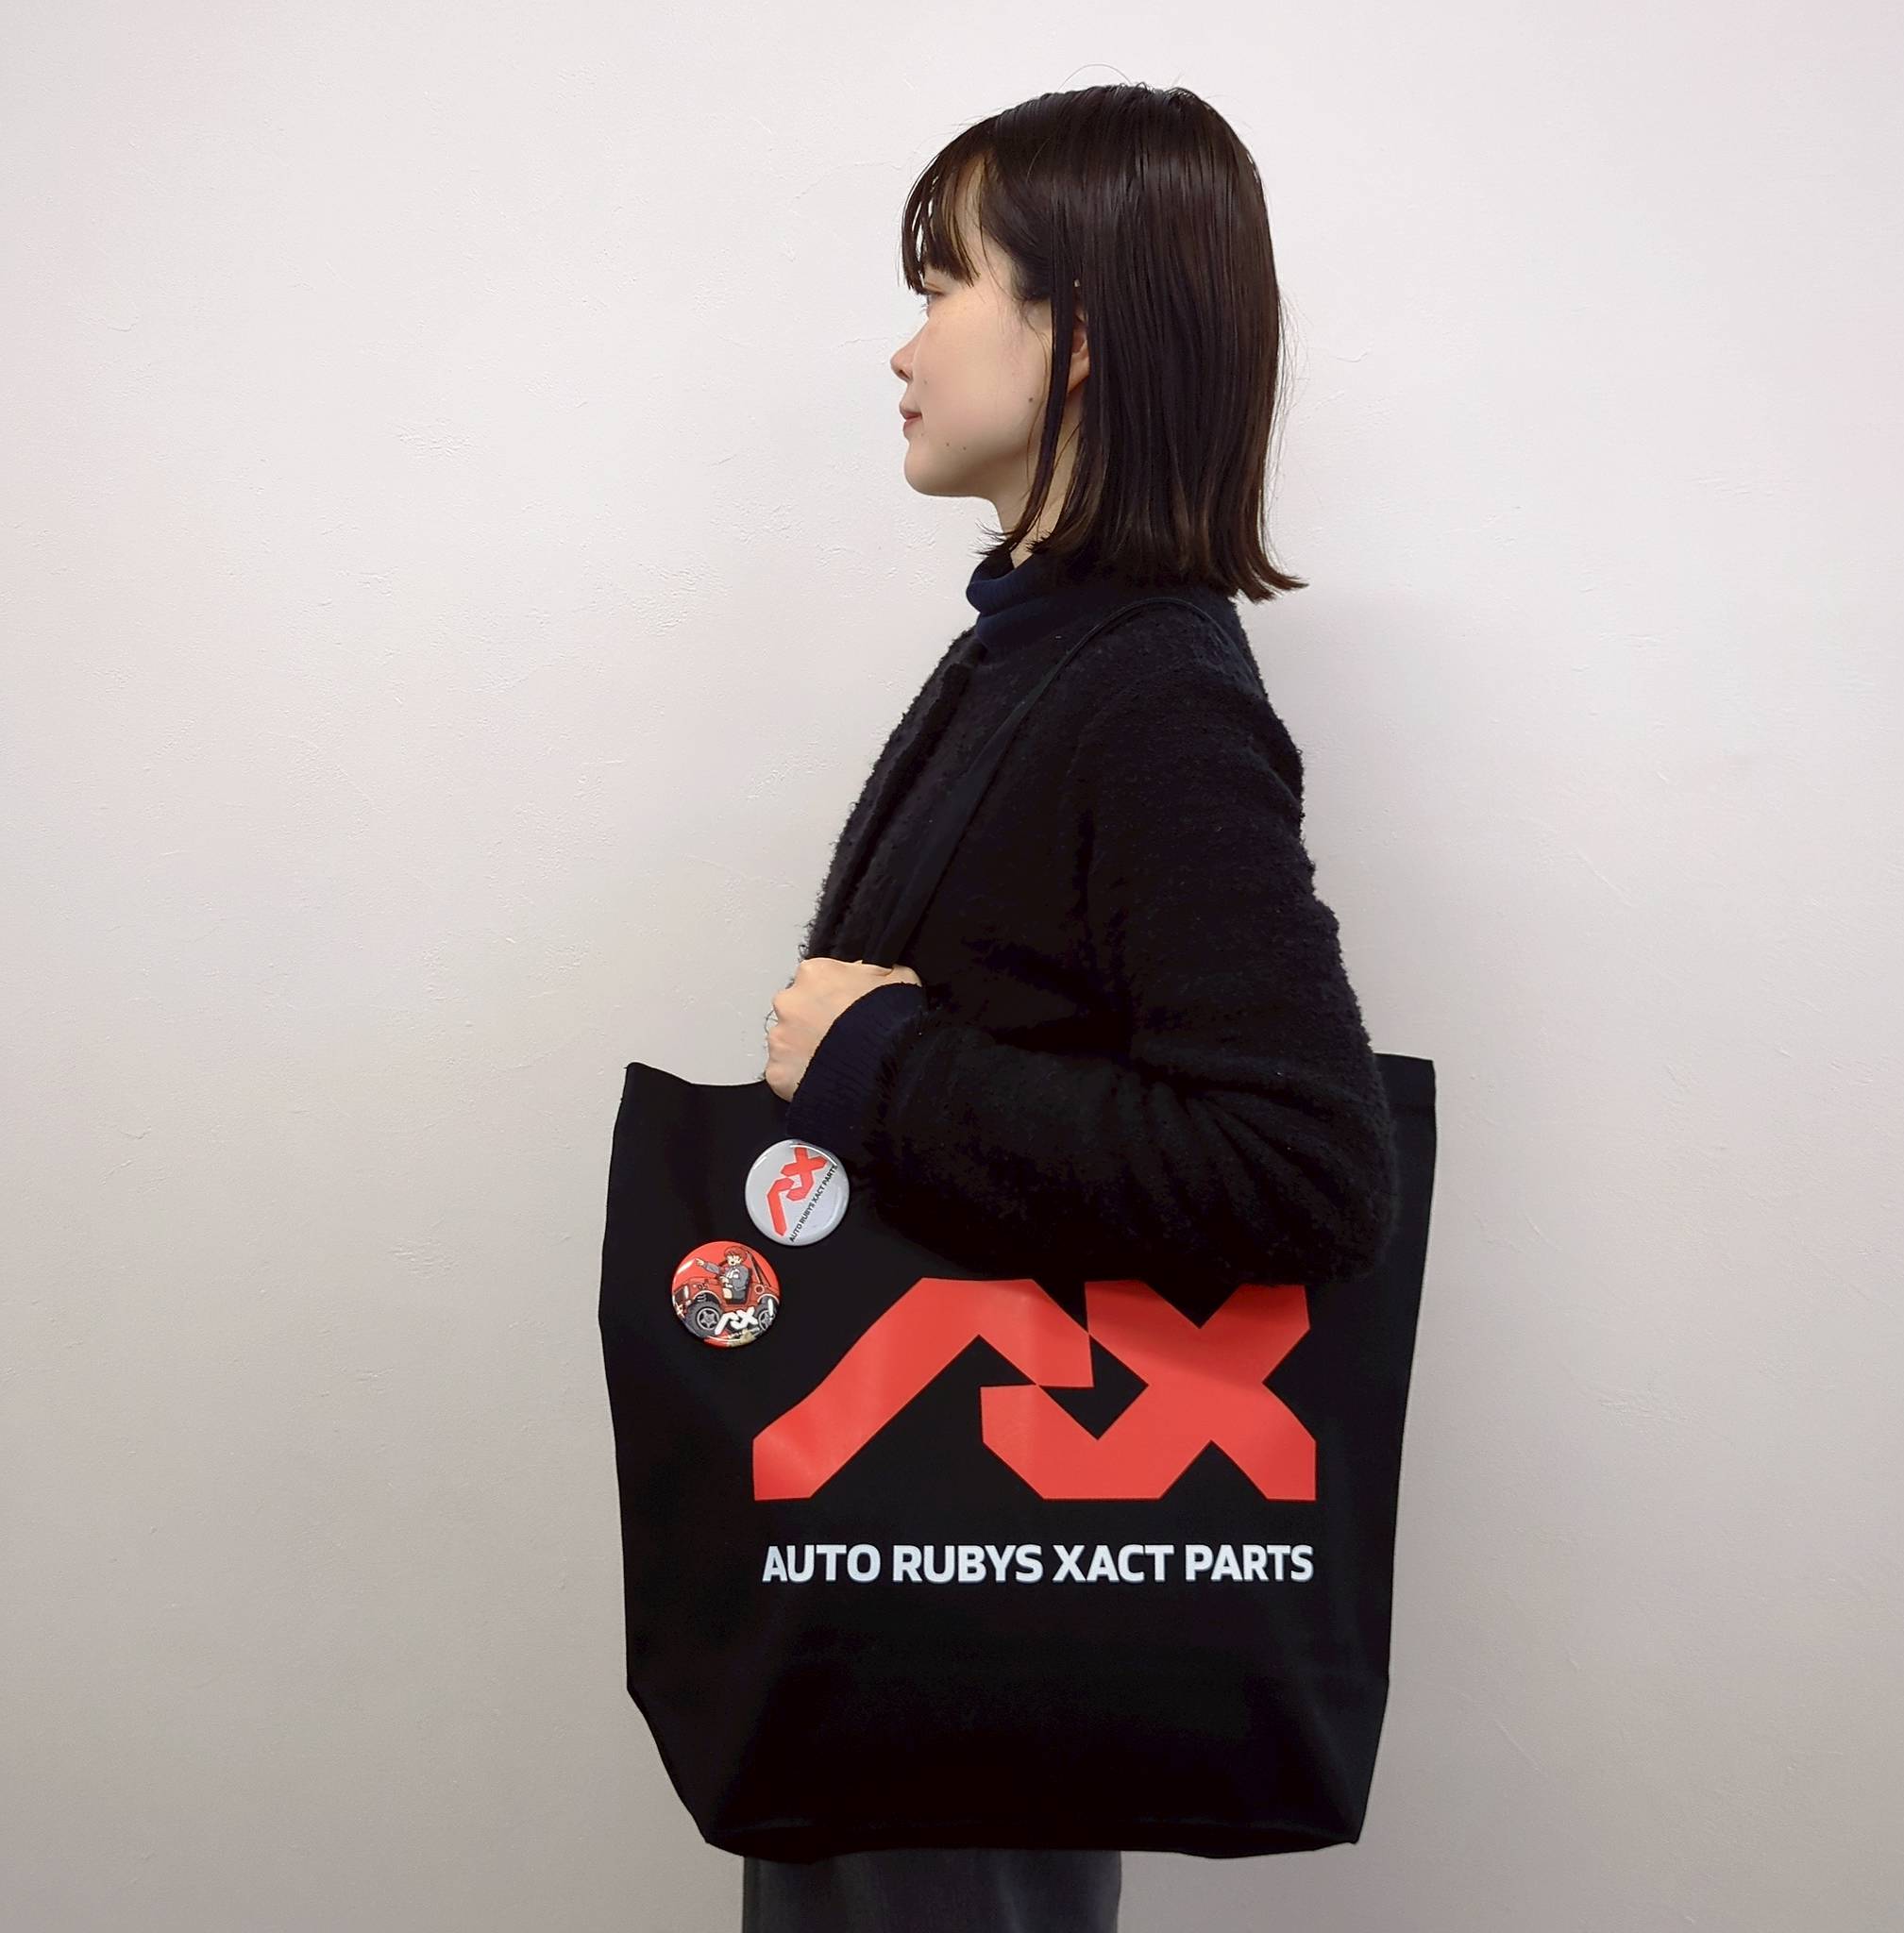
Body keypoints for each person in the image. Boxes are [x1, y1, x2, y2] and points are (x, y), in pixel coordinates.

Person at [750, 81, 1397, 1933]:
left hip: (980, 1588)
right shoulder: (1030, 650)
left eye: (945, 284)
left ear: (1084, 333)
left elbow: (1303, 1164)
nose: (905, 343)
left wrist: (880, 1067)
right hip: (909, 1563)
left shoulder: (1149, 688)